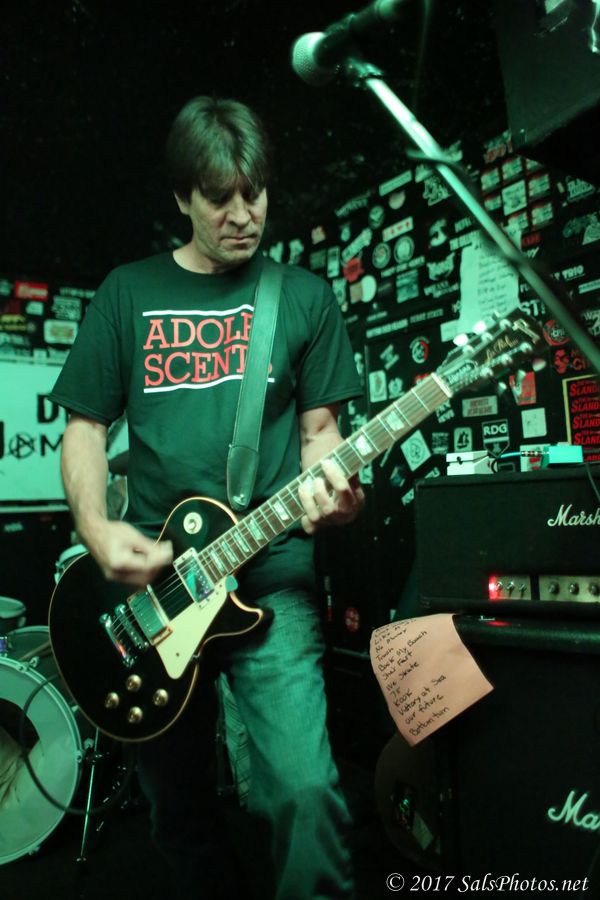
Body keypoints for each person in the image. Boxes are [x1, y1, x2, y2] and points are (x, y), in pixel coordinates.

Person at [50, 95, 364, 900]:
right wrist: (96, 530)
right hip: (154, 594)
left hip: (271, 581)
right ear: (182, 197)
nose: (242, 215)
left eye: (254, 194)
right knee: (180, 814)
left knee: (305, 793)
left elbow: (321, 433)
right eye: (220, 198)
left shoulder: (302, 296)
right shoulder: (128, 292)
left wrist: (335, 490)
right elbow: (84, 429)